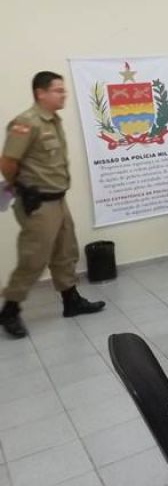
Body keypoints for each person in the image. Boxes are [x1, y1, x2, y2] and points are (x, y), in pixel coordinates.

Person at [0, 71, 106, 338]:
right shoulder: (26, 123)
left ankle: (71, 301)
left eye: (63, 90)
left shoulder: (53, 120)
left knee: (65, 251)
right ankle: (9, 310)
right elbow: (8, 161)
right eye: (58, 90)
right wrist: (20, 186)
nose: (64, 94)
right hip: (38, 203)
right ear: (41, 93)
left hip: (58, 199)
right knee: (33, 258)